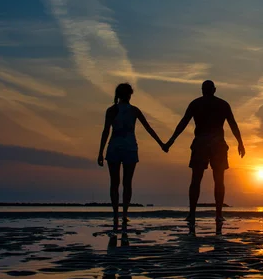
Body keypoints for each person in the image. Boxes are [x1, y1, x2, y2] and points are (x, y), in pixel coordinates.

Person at [163, 80, 245, 228]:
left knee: (201, 179)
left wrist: (240, 142)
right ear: (213, 89)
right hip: (209, 143)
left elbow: (232, 124)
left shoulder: (203, 104)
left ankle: (202, 214)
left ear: (205, 90)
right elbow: (183, 122)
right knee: (212, 180)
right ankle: (213, 214)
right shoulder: (215, 104)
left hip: (209, 143)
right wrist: (240, 142)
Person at [98, 83, 165, 231]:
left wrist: (100, 152)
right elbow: (148, 128)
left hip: (118, 148)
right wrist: (161, 144)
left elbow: (105, 132)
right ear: (129, 95)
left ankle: (118, 213)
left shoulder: (115, 110)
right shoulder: (127, 110)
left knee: (115, 183)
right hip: (126, 148)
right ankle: (122, 213)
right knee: (126, 183)